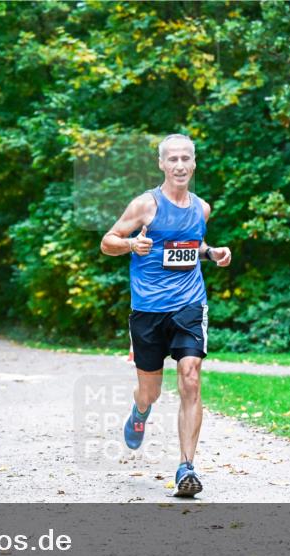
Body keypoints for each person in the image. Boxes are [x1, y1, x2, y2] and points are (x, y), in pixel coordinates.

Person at [100, 134, 232, 497]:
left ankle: (186, 467)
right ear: (161, 164)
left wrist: (212, 252)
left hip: (189, 304)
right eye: (172, 159)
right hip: (147, 310)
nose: (179, 165)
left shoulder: (201, 208)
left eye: (185, 158)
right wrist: (130, 244)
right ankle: (139, 412)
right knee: (150, 391)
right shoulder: (145, 205)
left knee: (190, 378)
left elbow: (189, 246)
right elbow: (107, 240)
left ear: (193, 163)